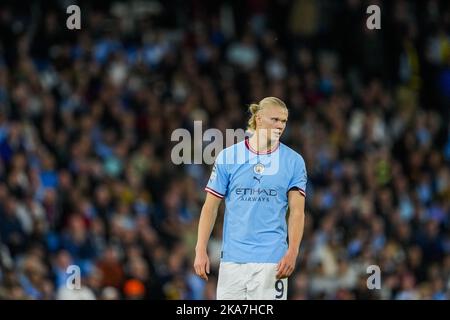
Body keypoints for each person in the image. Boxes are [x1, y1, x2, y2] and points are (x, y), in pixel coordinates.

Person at [194, 97, 307, 300]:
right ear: (259, 119)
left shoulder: (294, 161)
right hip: (232, 259)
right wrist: (200, 249)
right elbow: (210, 207)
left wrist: (293, 252)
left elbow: (297, 212)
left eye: (284, 121)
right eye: (275, 119)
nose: (280, 126)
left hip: (272, 260)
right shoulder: (228, 157)